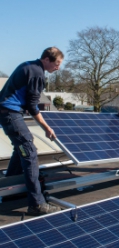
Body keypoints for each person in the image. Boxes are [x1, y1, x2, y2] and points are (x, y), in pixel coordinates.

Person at [0, 47, 64, 215]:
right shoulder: (37, 72)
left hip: (8, 114)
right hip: (11, 114)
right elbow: (32, 106)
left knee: (21, 149)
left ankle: (10, 189)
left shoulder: (28, 66)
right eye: (57, 63)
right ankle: (36, 204)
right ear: (47, 60)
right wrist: (46, 128)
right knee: (29, 152)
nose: (58, 68)